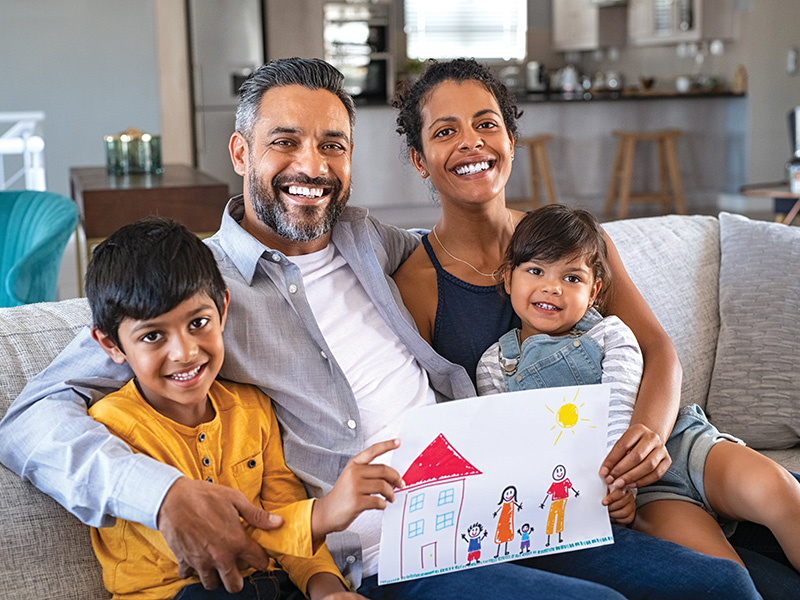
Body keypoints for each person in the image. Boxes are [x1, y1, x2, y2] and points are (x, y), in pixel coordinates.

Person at [0, 57, 629, 600]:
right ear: (241, 151)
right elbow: (29, 420)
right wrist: (161, 496)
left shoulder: (371, 241)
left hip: (492, 506)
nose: (312, 165)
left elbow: (471, 249)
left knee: (716, 584)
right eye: (286, 141)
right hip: (382, 558)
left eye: (332, 144)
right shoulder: (192, 293)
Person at [391, 57, 799, 597]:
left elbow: (657, 348)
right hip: (588, 489)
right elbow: (459, 431)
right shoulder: (417, 283)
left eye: (487, 123)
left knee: (780, 497)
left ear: (511, 140)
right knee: (730, 582)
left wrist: (649, 437)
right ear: (420, 160)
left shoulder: (576, 241)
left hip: (662, 443)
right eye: (446, 131)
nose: (471, 142)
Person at [84, 216, 404, 599]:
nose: (185, 353)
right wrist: (323, 514)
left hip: (271, 587)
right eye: (153, 336)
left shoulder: (251, 407)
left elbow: (284, 504)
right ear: (111, 345)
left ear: (223, 308)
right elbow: (211, 543)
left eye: (198, 322)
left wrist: (326, 589)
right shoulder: (112, 427)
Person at [477, 204, 800, 576]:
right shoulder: (495, 364)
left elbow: (618, 411)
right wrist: (613, 494)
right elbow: (513, 445)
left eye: (572, 278)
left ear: (595, 290)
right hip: (643, 494)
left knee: (777, 489)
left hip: (681, 444)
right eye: (535, 271)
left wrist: (618, 481)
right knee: (721, 572)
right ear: (507, 278)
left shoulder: (611, 334)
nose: (552, 287)